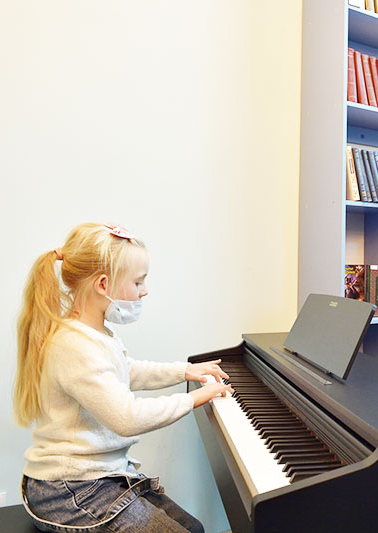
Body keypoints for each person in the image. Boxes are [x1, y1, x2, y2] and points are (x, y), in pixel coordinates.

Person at [13, 222, 232, 532]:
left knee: (193, 528)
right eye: (138, 281)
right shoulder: (74, 345)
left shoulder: (96, 333)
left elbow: (125, 370)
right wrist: (194, 398)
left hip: (100, 477)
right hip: (68, 490)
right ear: (103, 285)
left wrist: (183, 371)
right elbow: (127, 418)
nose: (145, 290)